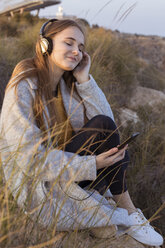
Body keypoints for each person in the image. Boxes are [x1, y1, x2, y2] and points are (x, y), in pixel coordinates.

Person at [0, 19, 163, 246]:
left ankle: (124, 214)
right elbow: (29, 160)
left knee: (110, 135)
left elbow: (108, 127)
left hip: (67, 172)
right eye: (69, 43)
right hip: (38, 185)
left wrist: (84, 79)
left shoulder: (69, 84)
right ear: (45, 45)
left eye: (81, 47)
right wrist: (91, 164)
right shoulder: (24, 86)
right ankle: (129, 212)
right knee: (106, 134)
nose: (76, 51)